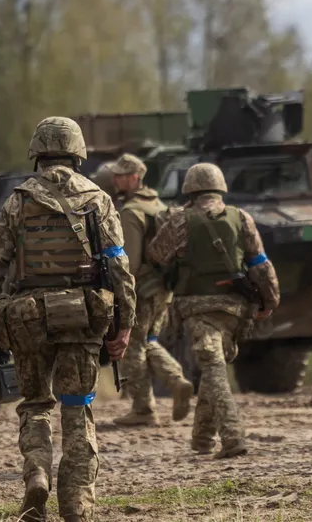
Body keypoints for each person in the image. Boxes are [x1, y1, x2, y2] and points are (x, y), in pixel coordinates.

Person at [0, 117, 136, 522]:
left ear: (37, 153)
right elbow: (119, 266)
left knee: (37, 403)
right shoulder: (98, 199)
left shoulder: (19, 200)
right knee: (77, 408)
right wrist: (125, 322)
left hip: (27, 319)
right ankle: (76, 502)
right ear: (78, 153)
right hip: (82, 317)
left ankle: (37, 475)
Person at [147, 162, 277, 459]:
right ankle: (202, 439)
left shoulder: (181, 220)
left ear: (190, 191)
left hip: (198, 307)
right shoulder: (241, 217)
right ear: (220, 188)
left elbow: (156, 255)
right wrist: (270, 301)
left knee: (213, 368)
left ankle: (233, 437)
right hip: (235, 309)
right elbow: (261, 264)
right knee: (213, 365)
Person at [109, 153, 193, 427]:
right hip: (163, 288)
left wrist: (121, 295)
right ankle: (176, 380)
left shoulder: (130, 212)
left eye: (121, 174)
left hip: (142, 290)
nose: (116, 178)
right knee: (149, 341)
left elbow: (129, 263)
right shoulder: (157, 205)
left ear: (135, 177)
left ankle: (143, 409)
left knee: (133, 346)